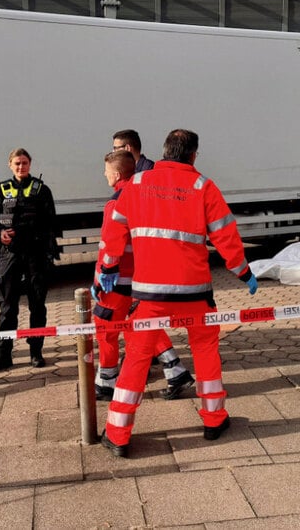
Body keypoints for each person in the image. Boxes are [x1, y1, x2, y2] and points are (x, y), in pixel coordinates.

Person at [97, 129, 258, 457]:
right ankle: (214, 420)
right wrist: (243, 272)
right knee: (205, 349)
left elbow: (114, 230)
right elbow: (226, 235)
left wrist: (108, 269)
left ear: (165, 151)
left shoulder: (138, 184)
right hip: (195, 293)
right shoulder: (203, 187)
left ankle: (117, 434)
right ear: (193, 155)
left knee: (138, 358)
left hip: (149, 295)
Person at [91, 150, 195, 401]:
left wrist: (101, 278)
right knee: (140, 325)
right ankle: (175, 369)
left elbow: (110, 245)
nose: (104, 175)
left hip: (117, 280)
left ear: (116, 174)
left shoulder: (115, 202)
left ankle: (107, 381)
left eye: (106, 171)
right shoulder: (145, 198)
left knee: (106, 327)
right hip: (142, 278)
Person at [0, 148, 57, 373]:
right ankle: (2, 356)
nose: (21, 167)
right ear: (10, 165)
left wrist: (29, 234)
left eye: (24, 163)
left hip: (35, 255)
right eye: (17, 163)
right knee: (7, 308)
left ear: (30, 164)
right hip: (9, 256)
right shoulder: (2, 189)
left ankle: (36, 352)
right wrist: (0, 233)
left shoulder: (42, 190)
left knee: (37, 306)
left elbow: (50, 222)